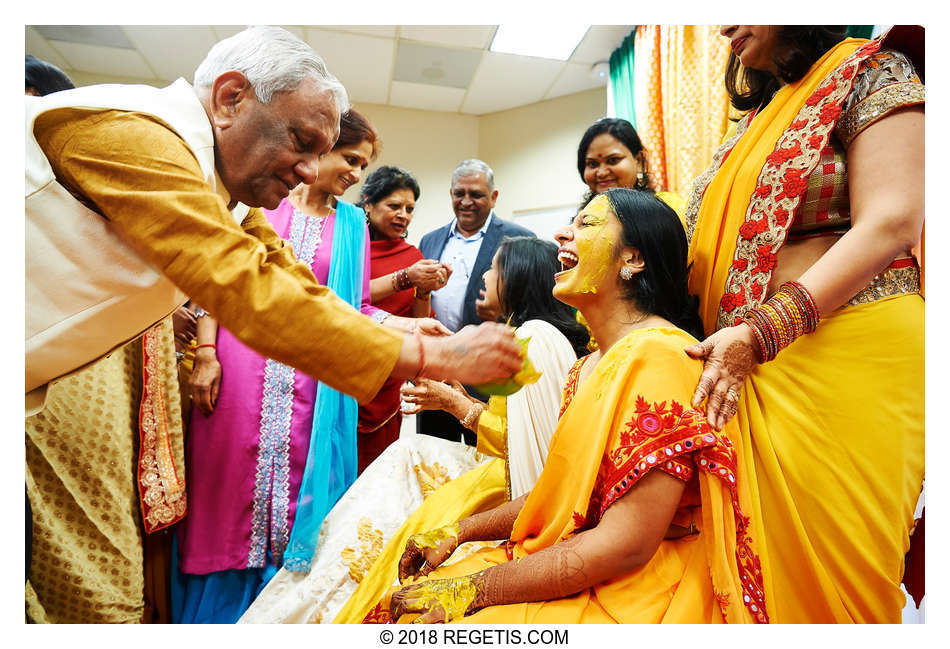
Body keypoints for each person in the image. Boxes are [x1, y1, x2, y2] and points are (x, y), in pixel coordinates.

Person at [24, 26, 521, 624]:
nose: (312, 171)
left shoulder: (223, 192)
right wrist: (432, 360)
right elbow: (242, 283)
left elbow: (291, 281)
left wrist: (407, 334)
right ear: (231, 98)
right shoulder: (135, 132)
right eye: (302, 141)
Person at [363, 189, 769, 624]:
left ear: (633, 259)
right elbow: (561, 495)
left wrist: (474, 590)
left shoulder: (662, 357)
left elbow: (626, 544)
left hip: (644, 584)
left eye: (586, 225)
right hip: (580, 557)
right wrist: (458, 531)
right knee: (398, 601)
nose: (561, 233)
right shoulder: (586, 367)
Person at [683, 26, 924, 621]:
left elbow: (892, 219)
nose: (723, 25)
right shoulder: (754, 124)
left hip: (849, 358)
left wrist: (765, 329)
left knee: (839, 584)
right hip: (749, 366)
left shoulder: (872, 71)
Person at [174, 111, 449, 623]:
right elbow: (218, 284)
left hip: (313, 385)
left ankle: (286, 614)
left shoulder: (351, 224)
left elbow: (353, 307)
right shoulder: (260, 204)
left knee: (300, 500)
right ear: (319, 148)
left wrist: (411, 329)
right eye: (350, 159)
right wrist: (207, 353)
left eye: (363, 166)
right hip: (238, 369)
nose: (354, 173)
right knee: (227, 490)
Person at [238, 237, 588, 624]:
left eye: (495, 267)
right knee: (406, 459)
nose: (486, 275)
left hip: (510, 489)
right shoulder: (517, 332)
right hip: (496, 471)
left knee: (407, 461)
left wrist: (458, 406)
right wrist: (453, 397)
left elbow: (537, 452)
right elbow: (519, 428)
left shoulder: (534, 338)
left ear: (518, 278)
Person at [417, 159, 535, 444]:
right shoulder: (430, 240)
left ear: (493, 197)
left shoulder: (519, 238)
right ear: (451, 194)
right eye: (460, 193)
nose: (466, 201)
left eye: (476, 194)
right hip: (437, 372)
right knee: (434, 456)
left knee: (483, 460)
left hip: (489, 373)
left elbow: (529, 307)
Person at [357, 166, 451, 470]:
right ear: (368, 203)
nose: (403, 215)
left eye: (410, 208)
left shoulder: (412, 254)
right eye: (394, 206)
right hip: (345, 365)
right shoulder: (349, 245)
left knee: (378, 469)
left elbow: (418, 322)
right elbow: (346, 297)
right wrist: (405, 278)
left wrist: (423, 291)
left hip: (388, 376)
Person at [577, 117, 686, 219]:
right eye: (592, 164)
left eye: (613, 160)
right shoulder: (583, 218)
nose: (601, 173)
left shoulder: (668, 209)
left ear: (638, 161)